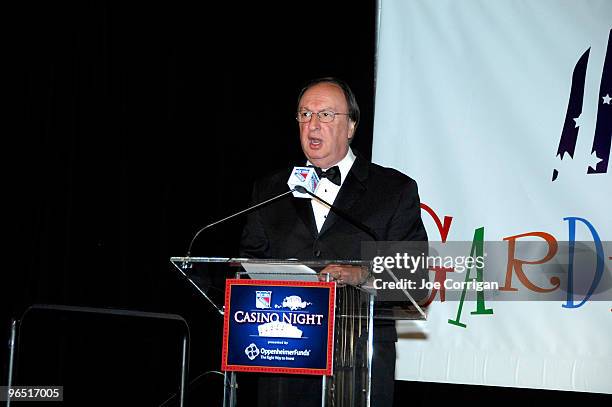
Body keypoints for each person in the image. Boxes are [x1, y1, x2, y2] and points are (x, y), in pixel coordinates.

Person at [240, 77, 428, 407]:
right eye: (304, 114)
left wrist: (362, 276)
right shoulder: (270, 191)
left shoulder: (393, 191)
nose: (312, 124)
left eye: (326, 115)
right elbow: (249, 269)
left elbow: (416, 280)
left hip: (357, 366)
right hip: (282, 360)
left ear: (351, 126)